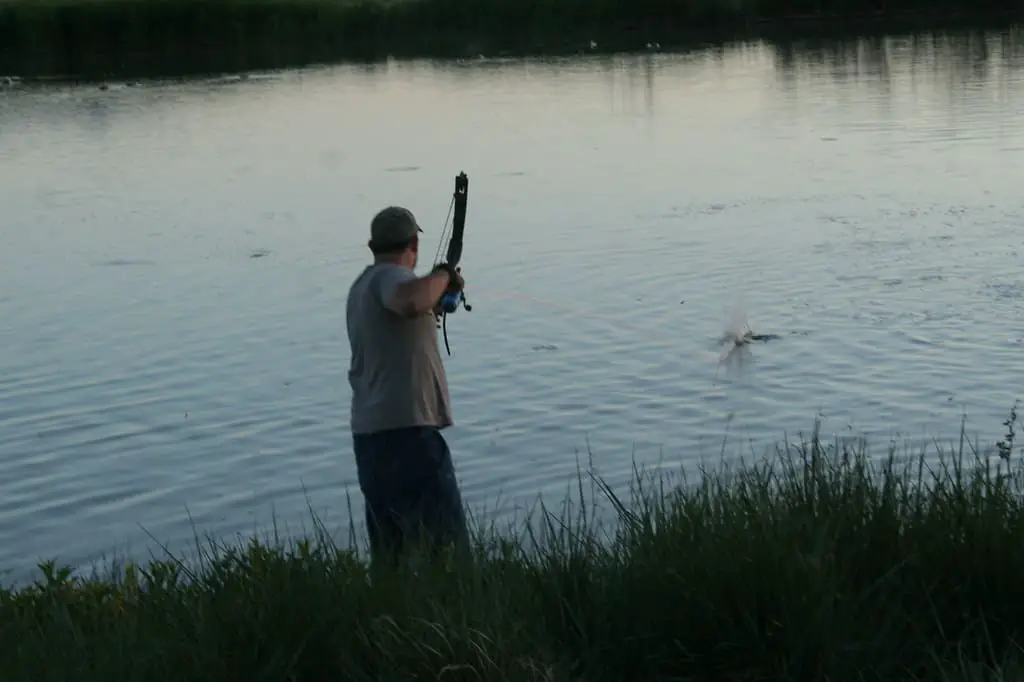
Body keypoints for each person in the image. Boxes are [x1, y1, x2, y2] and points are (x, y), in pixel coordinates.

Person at [345, 205, 470, 568]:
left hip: (372, 441)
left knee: (392, 558)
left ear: (372, 244)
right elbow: (412, 300)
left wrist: (439, 296)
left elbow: (414, 306)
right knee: (448, 555)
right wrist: (444, 274)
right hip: (408, 438)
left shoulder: (363, 287)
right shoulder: (390, 280)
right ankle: (458, 620)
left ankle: (391, 621)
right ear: (413, 244)